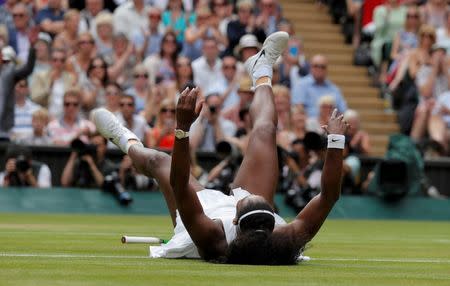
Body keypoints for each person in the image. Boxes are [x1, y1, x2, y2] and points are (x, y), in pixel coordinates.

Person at [92, 31, 348, 264]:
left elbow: (179, 185)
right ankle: (261, 71)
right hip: (250, 220)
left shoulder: (210, 236)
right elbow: (329, 196)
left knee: (160, 162)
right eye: (262, 201)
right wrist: (336, 142)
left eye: (245, 199)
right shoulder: (287, 237)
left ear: (235, 220)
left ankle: (124, 139)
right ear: (272, 222)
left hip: (202, 217)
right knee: (265, 132)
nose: (243, 194)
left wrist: (182, 129)